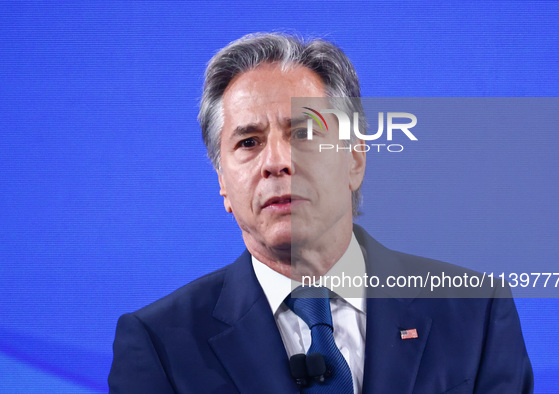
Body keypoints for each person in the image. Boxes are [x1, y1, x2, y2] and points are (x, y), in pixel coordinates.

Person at [109, 32, 533, 393]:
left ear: (355, 158)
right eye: (248, 142)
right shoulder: (159, 345)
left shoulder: (474, 312)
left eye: (304, 132)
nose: (277, 161)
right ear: (223, 182)